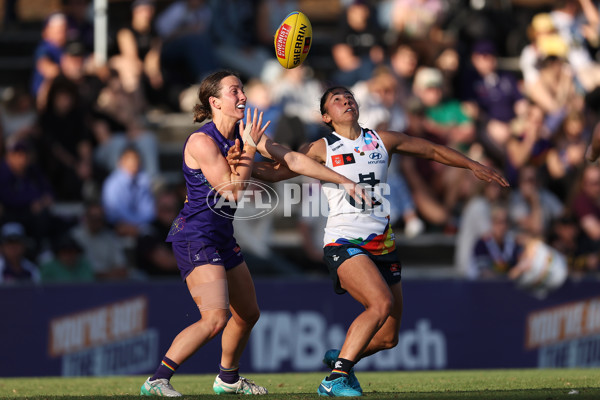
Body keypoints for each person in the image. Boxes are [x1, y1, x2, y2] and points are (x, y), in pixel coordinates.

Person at [246, 86, 508, 396]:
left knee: (388, 338)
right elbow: (276, 174)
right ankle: (335, 378)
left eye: (349, 97)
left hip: (383, 243)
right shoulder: (320, 147)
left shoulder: (382, 140)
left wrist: (472, 164)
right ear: (326, 116)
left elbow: (432, 150)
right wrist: (240, 164)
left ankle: (344, 356)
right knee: (380, 303)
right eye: (337, 100)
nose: (346, 101)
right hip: (344, 241)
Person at [139, 71, 368, 397]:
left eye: (243, 90)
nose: (243, 96)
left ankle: (228, 378)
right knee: (215, 318)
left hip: (221, 236)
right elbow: (233, 191)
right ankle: (157, 379)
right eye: (235, 91)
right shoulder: (201, 141)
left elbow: (293, 161)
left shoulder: (244, 135)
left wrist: (341, 179)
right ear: (215, 101)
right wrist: (248, 146)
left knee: (247, 314)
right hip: (196, 236)